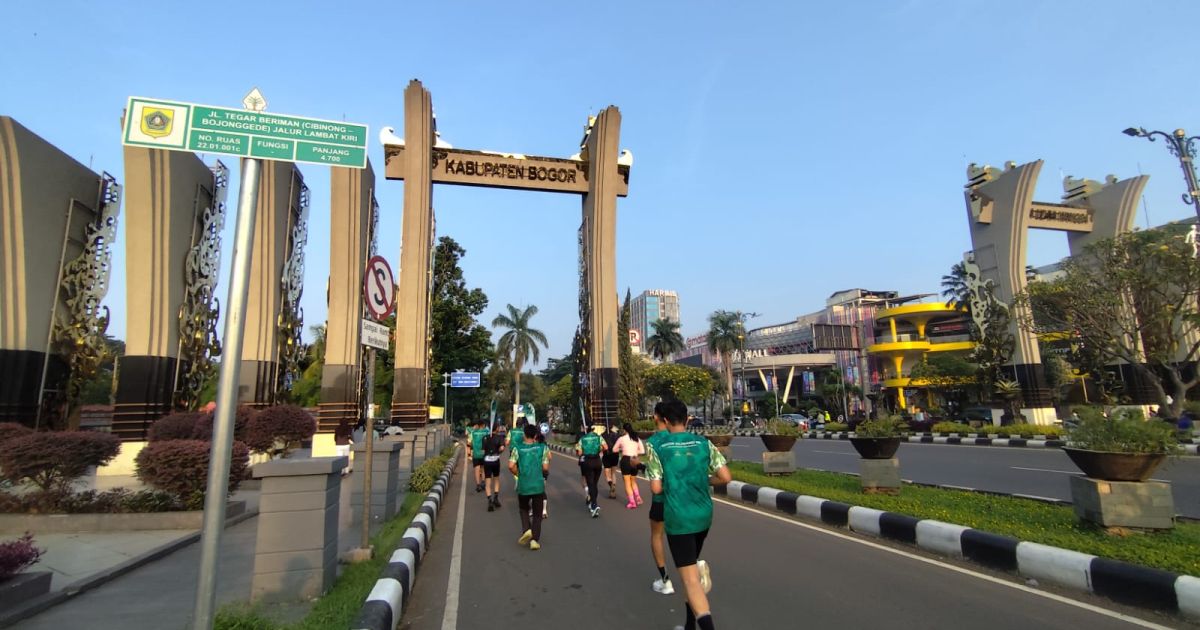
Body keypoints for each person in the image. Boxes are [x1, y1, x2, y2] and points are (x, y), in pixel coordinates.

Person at [645, 399, 731, 630]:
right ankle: (689, 625)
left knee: (690, 580)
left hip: (678, 517)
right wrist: (703, 480)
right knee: (689, 570)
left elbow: (656, 488)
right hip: (704, 515)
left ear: (664, 420)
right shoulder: (704, 443)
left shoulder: (657, 446)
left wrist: (674, 483)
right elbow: (725, 477)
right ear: (687, 418)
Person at [646, 402, 675, 595]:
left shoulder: (653, 443)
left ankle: (666, 581)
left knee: (657, 536)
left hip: (661, 501)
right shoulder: (681, 438)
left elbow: (655, 483)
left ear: (657, 417)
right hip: (684, 499)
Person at [508, 423, 551, 550]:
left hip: (524, 484)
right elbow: (545, 467)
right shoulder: (542, 448)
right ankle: (534, 540)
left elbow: (511, 466)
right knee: (537, 514)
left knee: (524, 509)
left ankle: (527, 529)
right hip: (538, 484)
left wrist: (518, 474)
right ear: (536, 435)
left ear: (524, 434)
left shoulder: (517, 448)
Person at [576, 425, 606, 518]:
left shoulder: (582, 439)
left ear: (586, 429)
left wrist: (584, 450)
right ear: (593, 429)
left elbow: (580, 452)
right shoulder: (599, 437)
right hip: (597, 461)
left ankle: (594, 505)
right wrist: (598, 449)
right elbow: (606, 447)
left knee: (590, 484)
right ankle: (593, 502)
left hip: (588, 462)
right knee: (594, 484)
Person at [613, 422, 645, 509]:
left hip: (626, 460)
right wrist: (634, 452)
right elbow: (642, 451)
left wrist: (622, 449)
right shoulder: (636, 438)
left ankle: (632, 502)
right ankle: (638, 497)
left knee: (627, 482)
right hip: (635, 460)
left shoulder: (621, 438)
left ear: (624, 430)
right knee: (633, 481)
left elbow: (614, 449)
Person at [482, 423, 506, 511]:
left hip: (487, 461)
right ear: (497, 429)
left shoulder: (485, 438)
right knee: (496, 479)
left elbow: (483, 450)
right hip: (496, 460)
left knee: (487, 480)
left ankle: (489, 500)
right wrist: (498, 451)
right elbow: (502, 448)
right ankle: (496, 497)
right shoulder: (500, 438)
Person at [469, 419, 489, 492]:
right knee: (483, 469)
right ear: (483, 425)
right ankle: (483, 482)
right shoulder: (487, 432)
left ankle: (478, 485)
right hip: (484, 454)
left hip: (476, 454)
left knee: (477, 469)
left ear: (478, 425)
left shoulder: (473, 432)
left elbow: (469, 442)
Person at [535, 425, 550, 519]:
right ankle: (544, 510)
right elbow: (550, 457)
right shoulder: (544, 446)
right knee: (542, 490)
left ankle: (534, 510)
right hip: (543, 471)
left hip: (534, 471)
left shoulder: (532, 446)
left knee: (533, 491)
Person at [601, 425, 621, 499]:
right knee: (613, 473)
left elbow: (602, 446)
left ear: (605, 427)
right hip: (615, 455)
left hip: (606, 455)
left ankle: (611, 485)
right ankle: (613, 489)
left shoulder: (602, 435)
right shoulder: (616, 435)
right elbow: (619, 446)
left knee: (607, 473)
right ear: (612, 426)